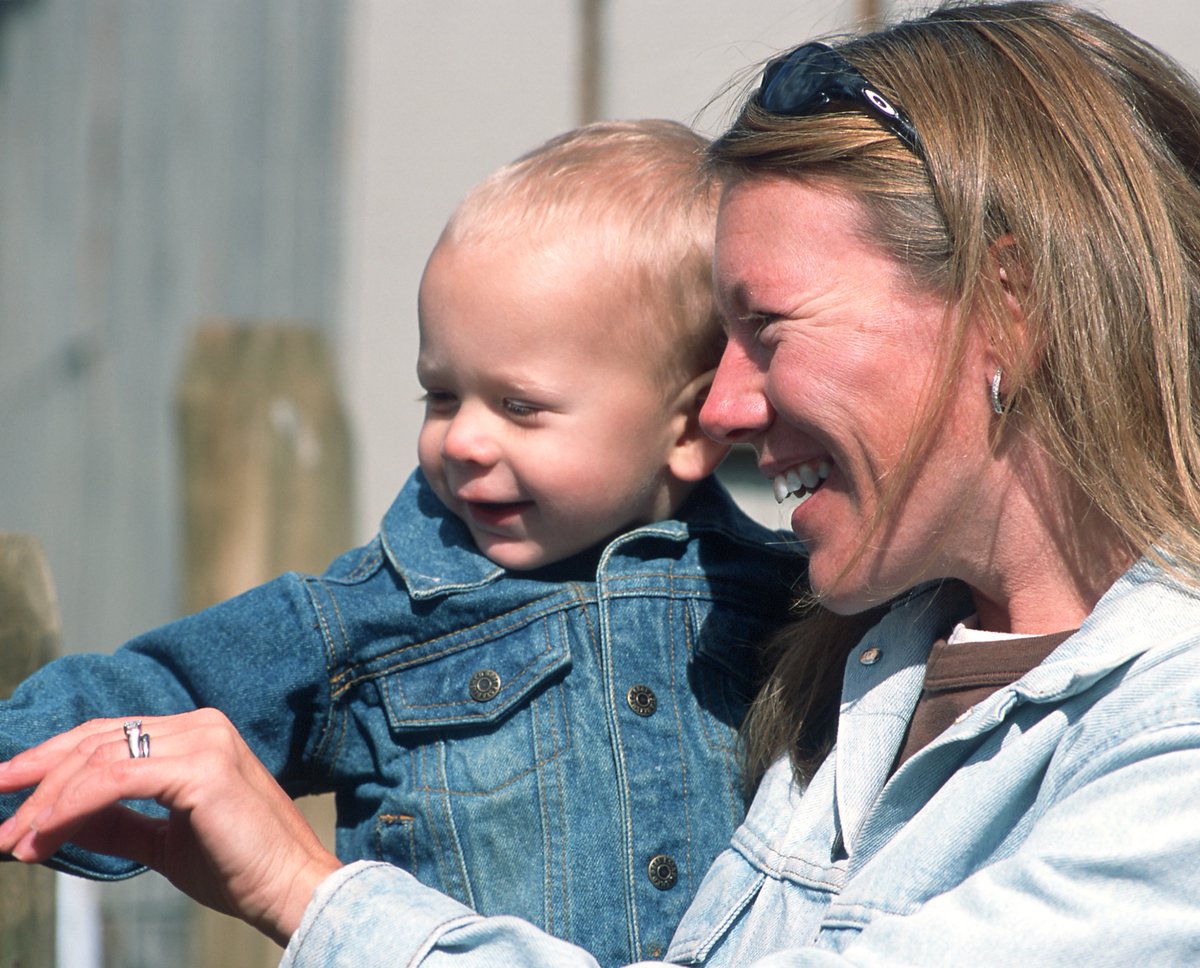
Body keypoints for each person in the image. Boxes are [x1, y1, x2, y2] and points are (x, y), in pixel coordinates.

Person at [9, 0, 1200, 963]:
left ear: (1012, 302)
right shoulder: (870, 650)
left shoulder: (1165, 743)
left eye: (768, 327)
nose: (723, 407)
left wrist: (311, 894)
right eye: (443, 393)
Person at [0, 120, 807, 966]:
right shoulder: (372, 616)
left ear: (689, 429)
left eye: (519, 406)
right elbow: (161, 695)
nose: (463, 441)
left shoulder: (785, 608)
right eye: (442, 396)